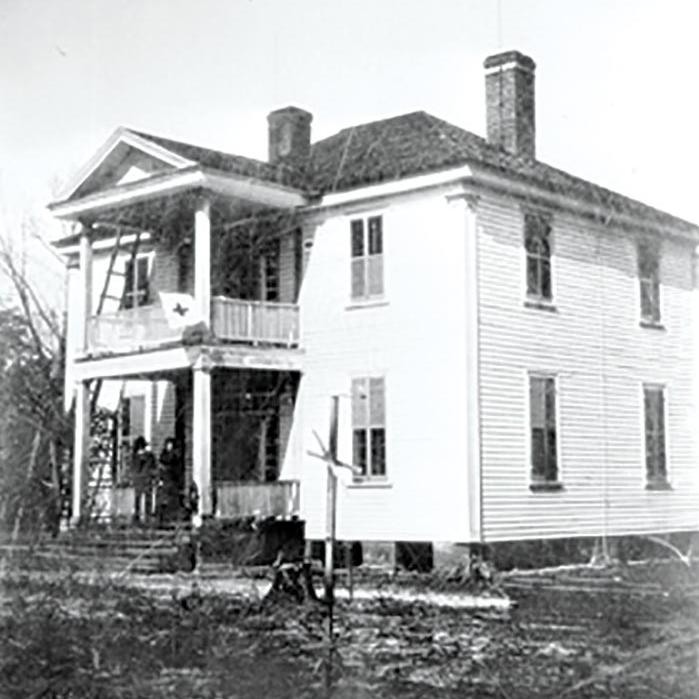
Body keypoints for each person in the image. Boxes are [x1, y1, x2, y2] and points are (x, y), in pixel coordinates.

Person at [157, 437, 182, 524]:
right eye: (168, 444)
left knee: (172, 498)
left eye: (171, 444)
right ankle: (164, 517)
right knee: (164, 499)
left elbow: (177, 467)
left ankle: (171, 517)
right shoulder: (163, 455)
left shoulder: (175, 455)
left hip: (172, 479)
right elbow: (161, 465)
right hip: (166, 479)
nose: (169, 446)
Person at [132, 436, 156, 524]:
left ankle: (144, 516)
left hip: (144, 480)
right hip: (143, 479)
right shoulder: (138, 457)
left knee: (143, 498)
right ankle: (140, 515)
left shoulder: (147, 456)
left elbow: (134, 469)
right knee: (140, 498)